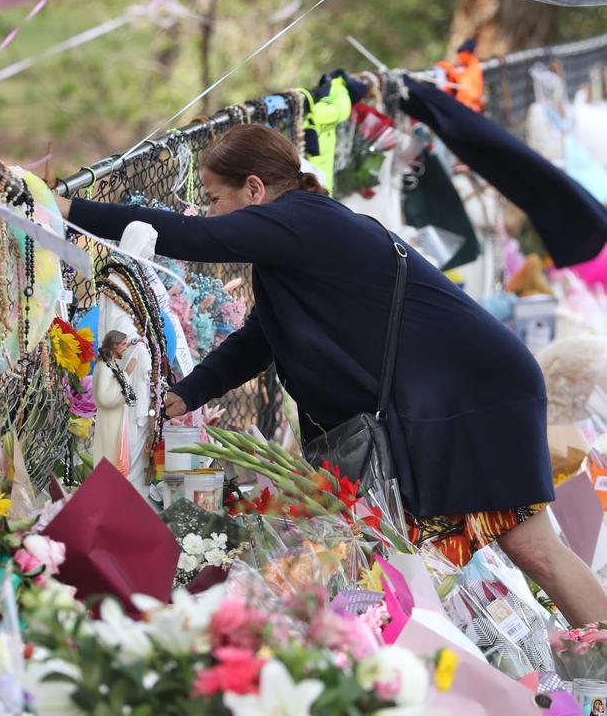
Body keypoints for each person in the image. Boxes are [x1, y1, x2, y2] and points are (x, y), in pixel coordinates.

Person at [57, 123, 607, 628]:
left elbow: (184, 238)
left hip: (476, 393)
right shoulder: (296, 239)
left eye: (212, 199)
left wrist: (68, 209)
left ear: (254, 189)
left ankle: (596, 655)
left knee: (529, 547)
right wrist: (188, 393)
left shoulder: (302, 222)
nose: (206, 214)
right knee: (388, 551)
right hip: (458, 391)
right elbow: (260, 337)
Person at [92, 330, 137, 477]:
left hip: (115, 420)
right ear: (114, 346)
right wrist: (126, 373)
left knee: (115, 457)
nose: (125, 347)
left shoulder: (110, 365)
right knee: (110, 458)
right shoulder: (103, 368)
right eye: (123, 344)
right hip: (109, 421)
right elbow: (103, 398)